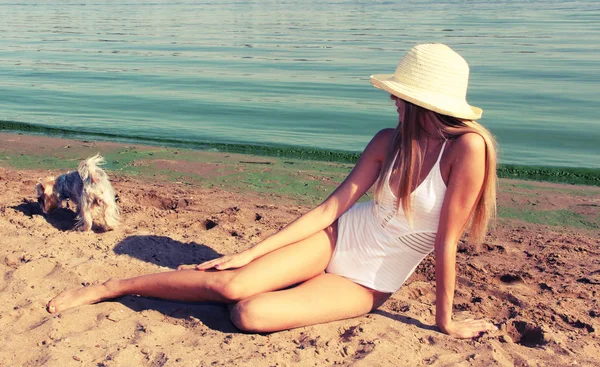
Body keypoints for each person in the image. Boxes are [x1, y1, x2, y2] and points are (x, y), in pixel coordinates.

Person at [47, 43, 498, 339]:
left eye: (400, 96)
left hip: (370, 279)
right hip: (339, 237)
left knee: (250, 314)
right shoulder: (388, 140)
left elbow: (446, 243)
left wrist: (446, 322)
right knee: (232, 283)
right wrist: (251, 251)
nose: (393, 101)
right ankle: (113, 287)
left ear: (423, 102)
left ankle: (282, 283)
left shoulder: (468, 150)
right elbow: (330, 210)